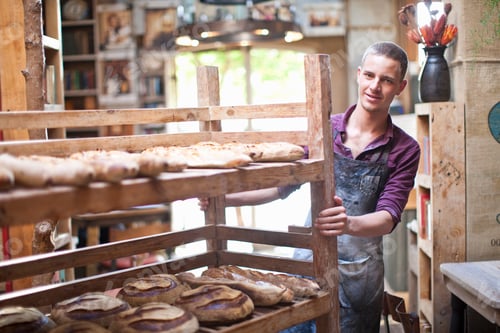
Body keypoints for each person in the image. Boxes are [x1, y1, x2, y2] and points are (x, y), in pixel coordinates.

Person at [198, 41, 420, 332]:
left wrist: (348, 223)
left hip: (360, 276)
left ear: (400, 87)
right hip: (309, 265)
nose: (375, 86)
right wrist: (224, 200)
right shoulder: (323, 130)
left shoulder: (405, 148)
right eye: (369, 75)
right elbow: (281, 186)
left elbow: (389, 216)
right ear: (358, 74)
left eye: (386, 80)